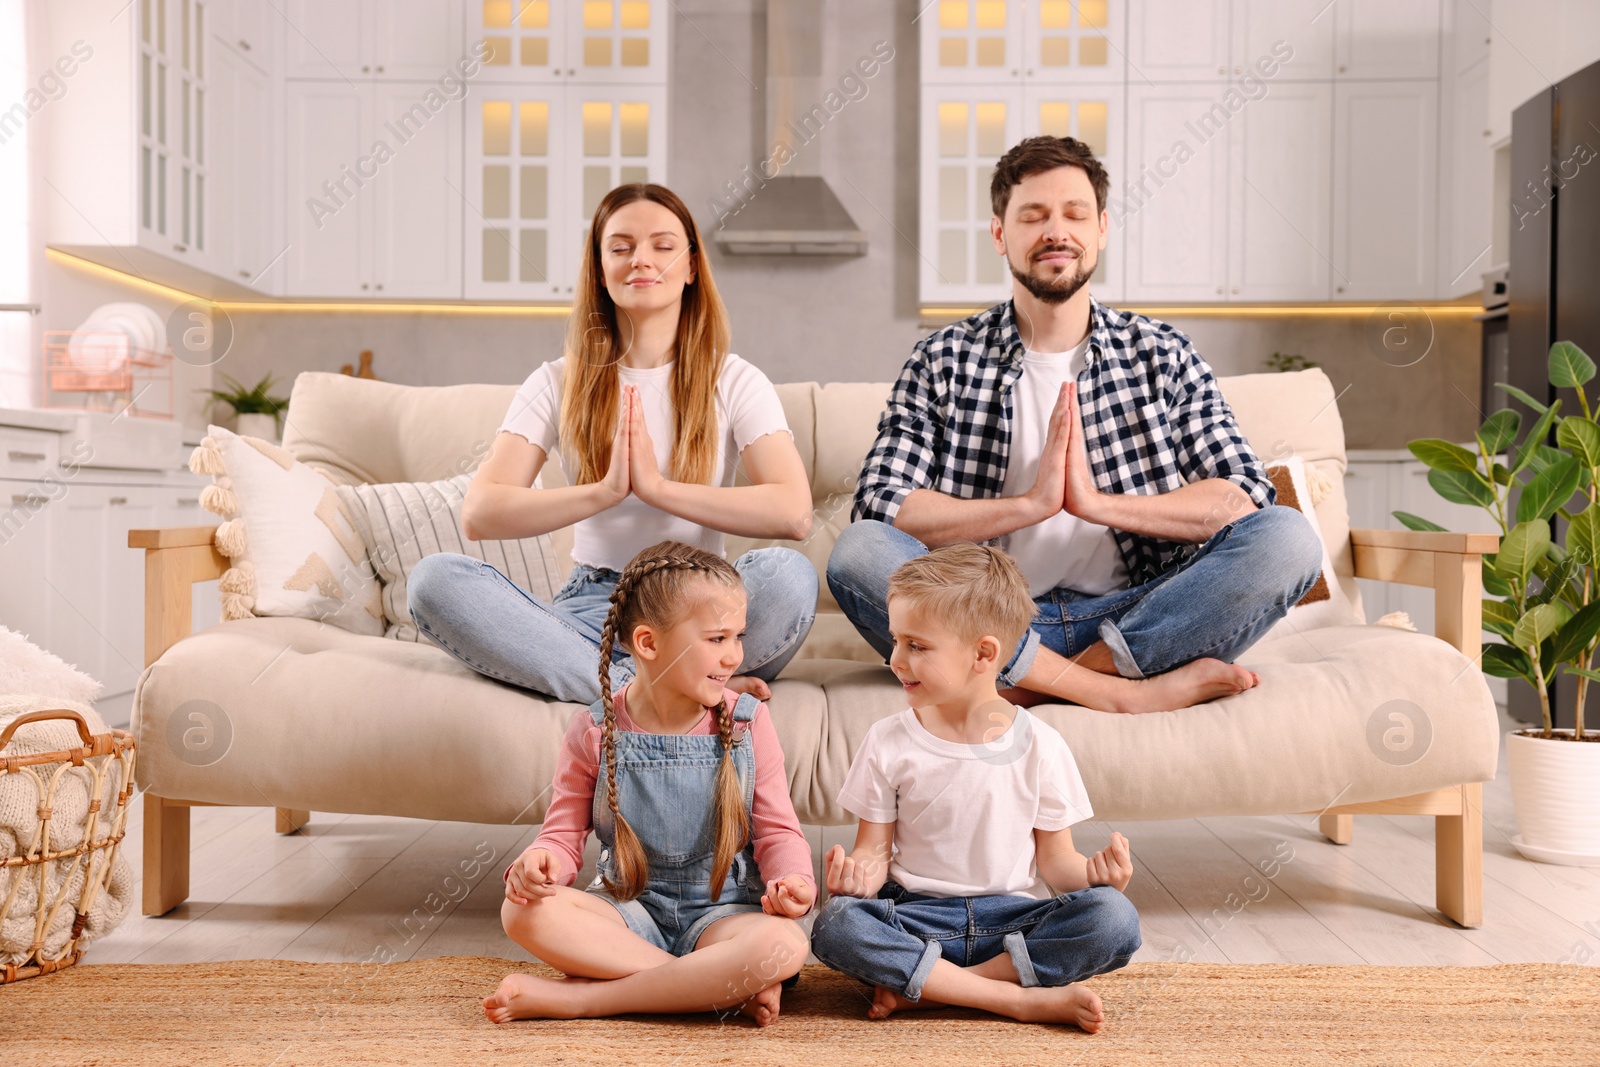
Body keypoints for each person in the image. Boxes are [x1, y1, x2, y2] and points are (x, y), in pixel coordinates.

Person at [827, 135, 1322, 715]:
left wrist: (1095, 502)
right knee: (857, 553)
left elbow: (1243, 499)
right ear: (999, 234)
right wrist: (1030, 505)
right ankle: (1113, 694)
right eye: (1033, 216)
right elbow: (883, 507)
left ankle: (1037, 684)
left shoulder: (1161, 353)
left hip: (1139, 616)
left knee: (1287, 539)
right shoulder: (942, 358)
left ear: (1102, 228)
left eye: (1074, 214)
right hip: (979, 621)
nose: (1055, 231)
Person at [409, 183, 817, 704]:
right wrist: (605, 491)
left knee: (789, 576)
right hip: (594, 611)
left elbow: (793, 513)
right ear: (600, 267)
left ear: (692, 266)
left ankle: (634, 685)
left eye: (662, 246)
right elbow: (482, 512)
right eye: (620, 247)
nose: (640, 260)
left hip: (702, 607)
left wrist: (657, 488)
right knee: (435, 581)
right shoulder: (557, 381)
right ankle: (664, 688)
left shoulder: (734, 380)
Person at [484, 541, 816, 1026]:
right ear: (648, 643)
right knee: (521, 912)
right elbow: (560, 834)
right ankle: (711, 988)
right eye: (717, 639)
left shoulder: (748, 723)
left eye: (737, 637)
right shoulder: (594, 731)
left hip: (722, 919)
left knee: (785, 944)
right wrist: (540, 864)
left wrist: (796, 881)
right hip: (626, 912)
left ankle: (584, 1000)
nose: (734, 657)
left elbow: (779, 832)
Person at [810, 544, 1141, 1030]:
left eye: (917, 646)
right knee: (837, 924)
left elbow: (1055, 863)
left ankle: (939, 989)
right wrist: (858, 876)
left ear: (983, 653)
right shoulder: (888, 740)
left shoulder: (1040, 744)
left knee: (1114, 917)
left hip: (1009, 922)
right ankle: (1013, 998)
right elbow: (873, 853)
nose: (896, 659)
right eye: (896, 640)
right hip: (916, 920)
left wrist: (1095, 877)